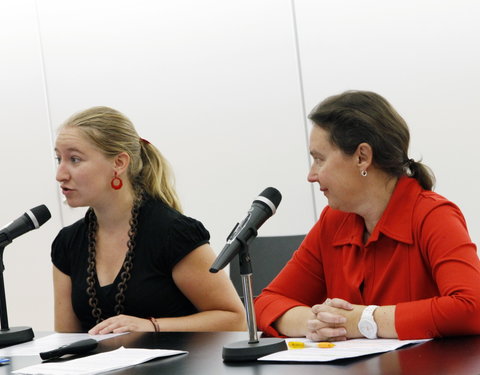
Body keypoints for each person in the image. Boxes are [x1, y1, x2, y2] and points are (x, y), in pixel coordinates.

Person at [254, 90, 480, 341]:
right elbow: (267, 302)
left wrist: (365, 321)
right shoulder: (333, 221)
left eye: (319, 159)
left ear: (362, 157)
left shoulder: (433, 216)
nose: (311, 175)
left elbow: (472, 308)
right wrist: (319, 323)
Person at [52, 106, 246, 334]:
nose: (60, 174)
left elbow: (235, 320)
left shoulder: (172, 233)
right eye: (59, 159)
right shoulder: (68, 242)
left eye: (75, 159)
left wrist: (151, 326)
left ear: (119, 163)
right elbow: (66, 341)